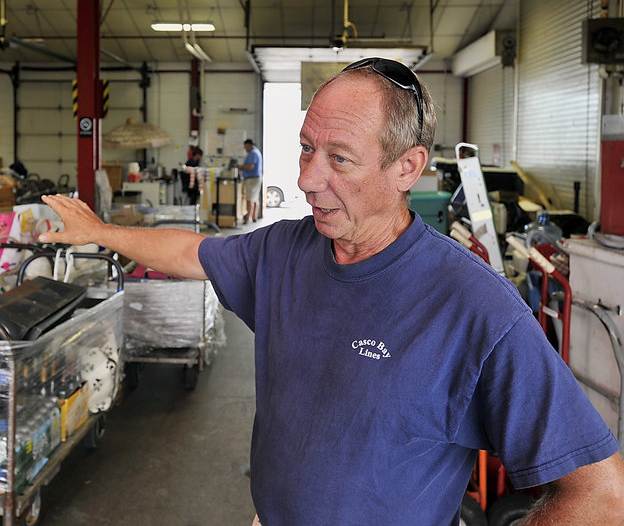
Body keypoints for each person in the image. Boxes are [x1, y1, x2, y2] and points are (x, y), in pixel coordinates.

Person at [39, 58, 624, 525]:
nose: (306, 178)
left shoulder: (476, 308)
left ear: (406, 168)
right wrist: (101, 232)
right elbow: (191, 253)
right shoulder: (284, 251)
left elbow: (601, 494)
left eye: (339, 158)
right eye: (305, 148)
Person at [238, 139, 263, 223]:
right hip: (257, 178)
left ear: (250, 145)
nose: (246, 149)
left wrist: (241, 167)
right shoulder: (257, 152)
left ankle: (248, 218)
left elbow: (250, 167)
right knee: (255, 199)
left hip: (252, 179)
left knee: (250, 199)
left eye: (246, 147)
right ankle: (254, 217)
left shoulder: (253, 153)